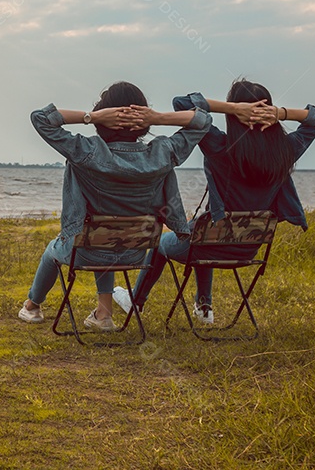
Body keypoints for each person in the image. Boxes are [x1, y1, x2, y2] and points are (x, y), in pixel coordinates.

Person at [117, 79, 315, 322]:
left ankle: (136, 302)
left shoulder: (220, 145)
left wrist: (234, 109)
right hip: (249, 247)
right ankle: (204, 307)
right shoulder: (287, 149)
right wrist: (280, 113)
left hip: (208, 243)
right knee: (202, 229)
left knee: (167, 241)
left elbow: (183, 103)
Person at [19, 81, 211, 331]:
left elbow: (40, 118)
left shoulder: (86, 150)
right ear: (143, 122)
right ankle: (104, 314)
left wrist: (92, 117)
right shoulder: (163, 152)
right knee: (105, 235)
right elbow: (204, 121)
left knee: (53, 249)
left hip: (86, 250)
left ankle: (32, 307)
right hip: (135, 252)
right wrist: (157, 117)